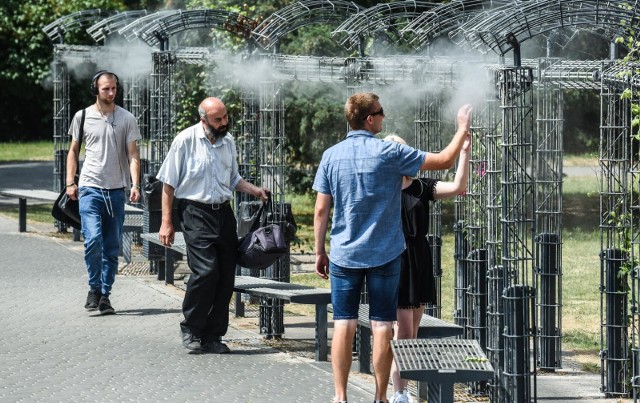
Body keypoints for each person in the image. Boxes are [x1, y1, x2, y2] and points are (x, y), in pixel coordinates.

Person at [313, 92, 472, 403]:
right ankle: (381, 397)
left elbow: (321, 210)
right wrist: (462, 128)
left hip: (345, 254)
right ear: (369, 119)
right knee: (383, 324)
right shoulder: (388, 152)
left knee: (343, 322)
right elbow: (443, 161)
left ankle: (340, 397)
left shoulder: (331, 155)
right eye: (380, 112)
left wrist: (320, 251)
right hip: (386, 253)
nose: (384, 117)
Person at [156, 97, 269, 354]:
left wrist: (254, 190)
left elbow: (233, 179)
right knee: (206, 271)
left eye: (225, 117)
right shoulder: (185, 140)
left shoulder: (228, 142)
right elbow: (168, 184)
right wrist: (166, 222)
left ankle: (213, 336)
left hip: (223, 214)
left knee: (226, 275)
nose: (224, 123)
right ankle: (191, 328)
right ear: (203, 119)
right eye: (218, 119)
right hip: (195, 212)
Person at [384, 133, 472, 403]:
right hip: (394, 257)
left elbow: (458, 187)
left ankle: (403, 388)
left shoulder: (421, 186)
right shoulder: (380, 188)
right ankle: (399, 392)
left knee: (413, 330)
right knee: (404, 330)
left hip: (419, 258)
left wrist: (465, 152)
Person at [66, 70, 142, 315]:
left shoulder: (127, 118)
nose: (111, 93)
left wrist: (135, 184)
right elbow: (73, 151)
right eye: (106, 89)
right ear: (95, 90)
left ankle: (104, 295)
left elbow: (133, 155)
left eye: (114, 88)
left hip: (116, 191)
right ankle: (93, 287)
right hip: (90, 188)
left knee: (111, 247)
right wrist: (70, 182)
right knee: (93, 240)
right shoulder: (83, 116)